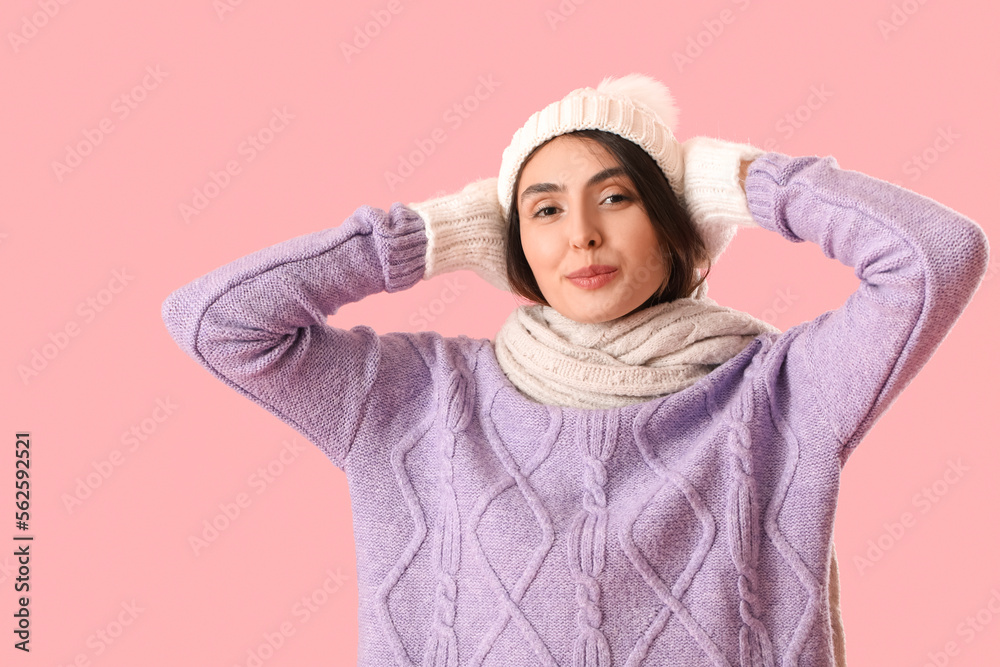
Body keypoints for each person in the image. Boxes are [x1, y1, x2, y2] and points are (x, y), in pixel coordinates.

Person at [161, 73, 989, 666]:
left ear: (678, 225)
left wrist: (744, 181)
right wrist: (429, 234)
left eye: (619, 197)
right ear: (510, 240)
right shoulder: (419, 397)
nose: (581, 234)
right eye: (545, 209)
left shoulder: (781, 394)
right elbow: (215, 321)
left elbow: (936, 259)